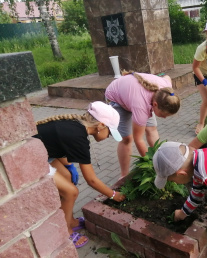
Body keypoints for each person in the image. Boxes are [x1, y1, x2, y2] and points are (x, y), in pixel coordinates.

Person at [33, 101, 126, 249]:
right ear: (101, 125)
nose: (108, 136)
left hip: (43, 151)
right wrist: (113, 194)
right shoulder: (78, 138)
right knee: (71, 192)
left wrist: (68, 165)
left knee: (67, 178)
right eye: (110, 131)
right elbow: (91, 180)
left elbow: (55, 143)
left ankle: (70, 220)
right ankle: (64, 231)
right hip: (31, 157)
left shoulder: (77, 125)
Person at [105, 70, 180, 178]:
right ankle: (124, 176)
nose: (164, 118)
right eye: (164, 114)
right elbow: (138, 139)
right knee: (127, 139)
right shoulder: (141, 106)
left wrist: (163, 162)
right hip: (117, 98)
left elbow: (167, 76)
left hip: (136, 94)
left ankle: (161, 159)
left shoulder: (167, 91)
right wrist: (152, 166)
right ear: (155, 104)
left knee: (152, 129)